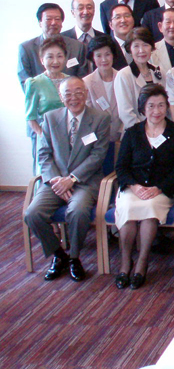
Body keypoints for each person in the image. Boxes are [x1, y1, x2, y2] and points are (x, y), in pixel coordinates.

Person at [23, 77, 111, 282]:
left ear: (86, 93)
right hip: (55, 181)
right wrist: (57, 180)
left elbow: (98, 156)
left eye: (79, 92)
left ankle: (74, 258)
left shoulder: (100, 118)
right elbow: (44, 154)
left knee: (78, 211)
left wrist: (71, 179)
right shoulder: (50, 118)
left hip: (85, 181)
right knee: (32, 213)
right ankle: (59, 254)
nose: (74, 98)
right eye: (68, 94)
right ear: (61, 97)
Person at [114, 84, 174, 290]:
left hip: (162, 190)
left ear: (167, 107)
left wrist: (159, 188)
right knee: (128, 210)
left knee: (150, 210)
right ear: (143, 108)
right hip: (133, 188)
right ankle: (125, 263)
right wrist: (134, 186)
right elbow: (121, 167)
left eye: (161, 105)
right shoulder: (132, 133)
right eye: (151, 106)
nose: (156, 111)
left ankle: (142, 262)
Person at [18, 3, 88, 89]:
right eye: (48, 19)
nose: (53, 23)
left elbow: (83, 78)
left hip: (71, 95)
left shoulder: (77, 47)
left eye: (57, 19)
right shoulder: (27, 48)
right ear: (40, 23)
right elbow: (26, 82)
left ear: (62, 23)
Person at [24, 37, 69, 164]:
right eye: (50, 57)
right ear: (42, 60)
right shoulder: (34, 83)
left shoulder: (70, 81)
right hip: (47, 138)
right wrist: (43, 137)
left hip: (69, 137)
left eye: (59, 56)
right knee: (48, 171)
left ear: (65, 58)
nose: (55, 61)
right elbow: (30, 117)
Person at [114, 27, 166, 130]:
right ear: (130, 49)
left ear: (151, 47)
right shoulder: (124, 75)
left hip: (162, 129)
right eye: (136, 46)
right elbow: (126, 114)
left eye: (145, 45)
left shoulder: (159, 71)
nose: (141, 50)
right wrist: (147, 132)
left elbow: (166, 105)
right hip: (137, 132)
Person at [83, 34, 124, 143]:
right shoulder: (86, 82)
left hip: (122, 138)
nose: (104, 59)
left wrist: (121, 135)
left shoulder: (123, 78)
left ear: (113, 55)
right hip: (98, 140)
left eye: (107, 54)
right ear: (93, 58)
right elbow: (87, 116)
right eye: (98, 55)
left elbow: (129, 109)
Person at [109, 3, 136, 67]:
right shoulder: (107, 48)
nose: (123, 20)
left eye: (127, 16)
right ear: (111, 25)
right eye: (118, 17)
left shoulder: (142, 44)